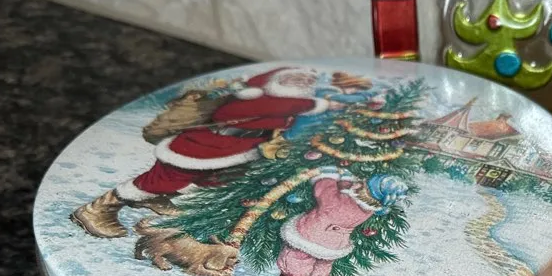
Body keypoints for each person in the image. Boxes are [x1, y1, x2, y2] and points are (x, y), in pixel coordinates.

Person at [71, 68, 372, 239]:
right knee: (164, 178)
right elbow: (276, 108)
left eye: (307, 82)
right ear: (271, 83)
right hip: (202, 146)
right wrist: (320, 105)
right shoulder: (251, 100)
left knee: (212, 180)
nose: (303, 84)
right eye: (295, 80)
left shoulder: (286, 103)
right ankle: (99, 208)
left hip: (237, 150)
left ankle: (155, 198)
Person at [249, 173, 408, 276]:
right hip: (336, 242)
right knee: (323, 264)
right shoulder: (369, 209)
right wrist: (346, 180)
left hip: (312, 235)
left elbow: (324, 191)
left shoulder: (339, 202)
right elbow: (351, 193)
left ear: (365, 189)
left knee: (296, 258)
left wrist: (328, 175)